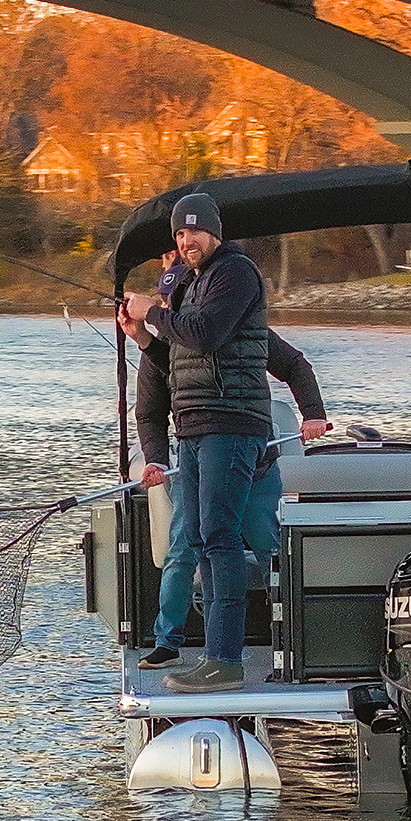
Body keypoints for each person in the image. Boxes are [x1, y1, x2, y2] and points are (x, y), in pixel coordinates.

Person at [118, 307, 330, 673]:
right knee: (182, 552)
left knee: (270, 550)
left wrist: (312, 412)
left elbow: (296, 365)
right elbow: (149, 414)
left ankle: (299, 634)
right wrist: (154, 458)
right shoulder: (160, 349)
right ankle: (167, 642)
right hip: (197, 467)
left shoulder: (242, 327)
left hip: (257, 466)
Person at [121, 192, 273, 693]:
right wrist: (144, 337)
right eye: (179, 234)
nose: (186, 242)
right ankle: (214, 656)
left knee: (220, 538)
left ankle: (225, 660)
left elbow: (204, 334)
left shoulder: (235, 273)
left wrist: (152, 311)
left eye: (194, 232)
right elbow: (182, 362)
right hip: (197, 427)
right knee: (205, 540)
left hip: (230, 424)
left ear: (215, 232)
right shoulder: (193, 283)